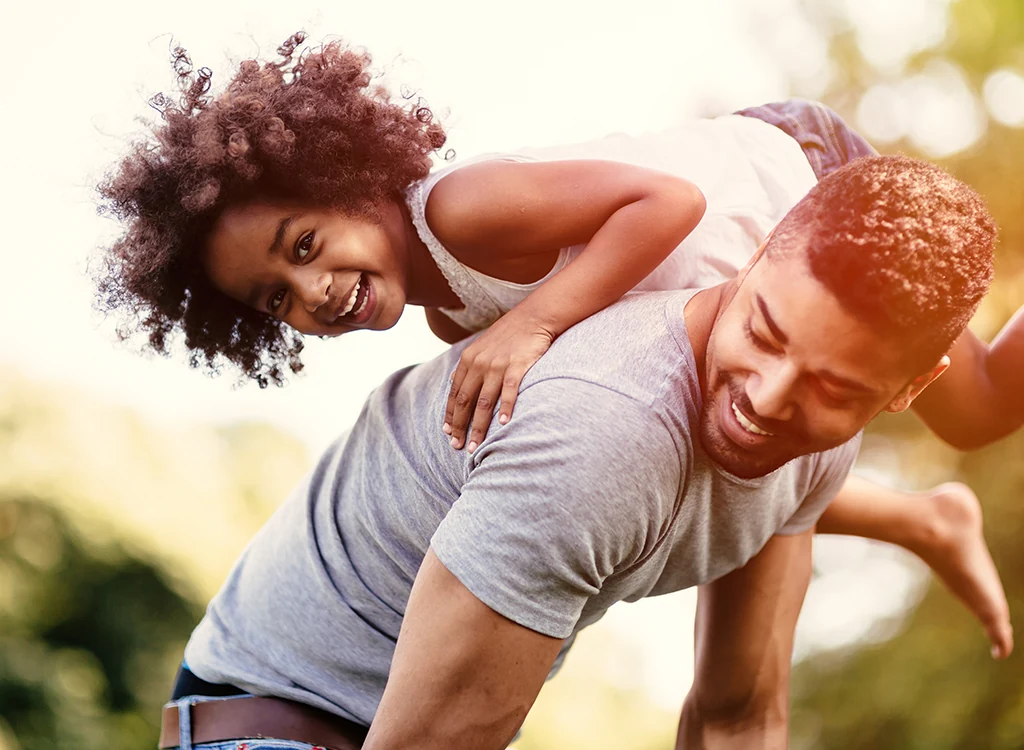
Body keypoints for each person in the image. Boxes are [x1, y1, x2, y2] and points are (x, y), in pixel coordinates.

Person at [98, 35, 1015, 655]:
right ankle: (919, 517)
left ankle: (926, 512)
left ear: (345, 178)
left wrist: (534, 324)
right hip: (738, 301)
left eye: (304, 246)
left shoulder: (463, 208)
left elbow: (669, 203)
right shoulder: (449, 318)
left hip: (801, 187)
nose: (312, 291)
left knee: (975, 412)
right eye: (275, 299)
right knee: (722, 444)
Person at [155, 151, 997, 750]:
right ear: (750, 263)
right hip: (275, 715)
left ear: (906, 391)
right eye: (764, 332)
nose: (768, 400)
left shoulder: (812, 452)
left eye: (836, 389)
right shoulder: (602, 432)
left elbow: (738, 717)